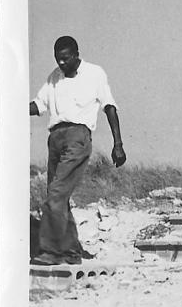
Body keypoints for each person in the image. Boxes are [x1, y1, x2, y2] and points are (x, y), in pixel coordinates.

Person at [28, 36, 125, 265]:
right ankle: (71, 253)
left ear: (76, 53)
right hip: (55, 139)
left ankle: (51, 252)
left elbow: (109, 106)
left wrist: (118, 144)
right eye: (58, 59)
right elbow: (39, 104)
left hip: (77, 138)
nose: (61, 63)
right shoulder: (54, 77)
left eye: (65, 58)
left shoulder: (94, 73)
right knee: (59, 195)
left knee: (56, 194)